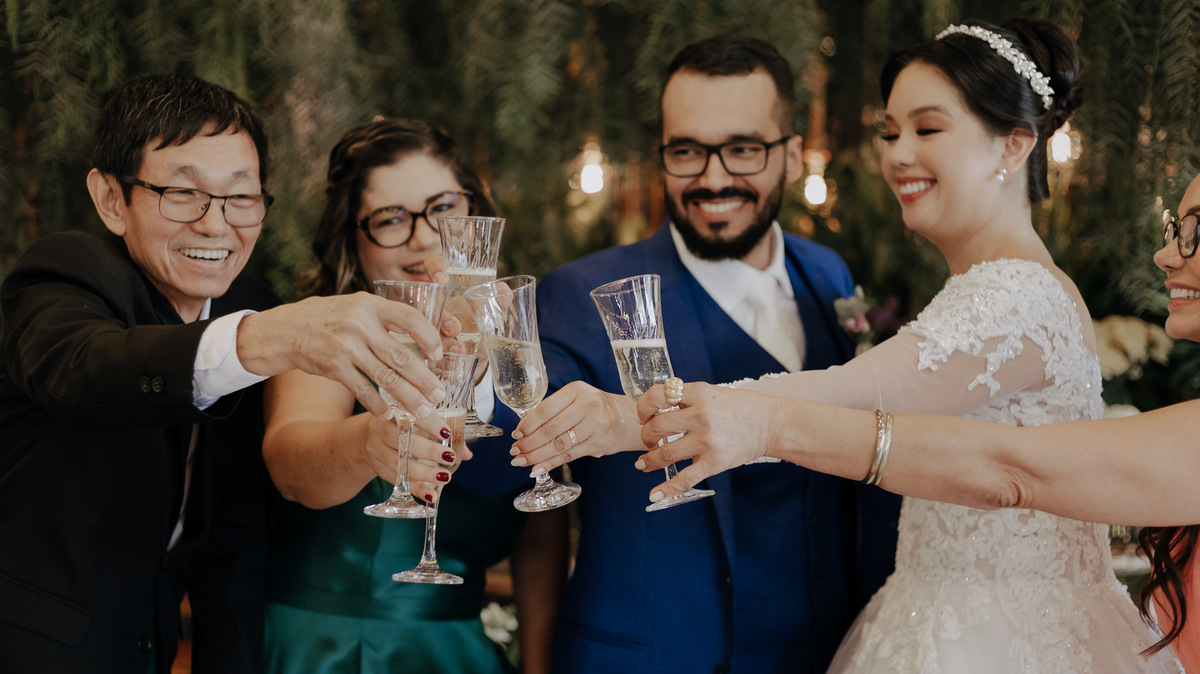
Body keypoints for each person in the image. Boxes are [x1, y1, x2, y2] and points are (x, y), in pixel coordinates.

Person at [512, 19, 1183, 673]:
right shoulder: (989, 287)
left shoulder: (1012, 299)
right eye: (890, 131)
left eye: (927, 128)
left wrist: (624, 419)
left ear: (1013, 147)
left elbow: (849, 396)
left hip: (996, 639)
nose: (897, 154)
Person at [633, 171, 1200, 672]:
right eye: (1176, 228)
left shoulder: (1020, 293)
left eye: (1196, 233)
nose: (1167, 255)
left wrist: (760, 425)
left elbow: (1008, 468)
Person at [480, 34, 902, 673]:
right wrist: (480, 373)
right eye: (686, 152)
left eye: (742, 150)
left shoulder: (829, 276)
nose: (712, 179)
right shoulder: (584, 291)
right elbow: (503, 449)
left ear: (791, 157)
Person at [0, 75, 451, 673]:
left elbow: (234, 546)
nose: (216, 225)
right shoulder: (66, 276)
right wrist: (267, 339)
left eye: (241, 197)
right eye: (182, 193)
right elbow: (85, 371)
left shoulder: (252, 305)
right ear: (112, 199)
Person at [260, 118, 568, 674]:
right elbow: (290, 464)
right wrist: (369, 443)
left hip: (459, 653)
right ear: (352, 237)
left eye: (443, 207)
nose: (424, 237)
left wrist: (539, 666)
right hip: (327, 651)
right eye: (391, 219)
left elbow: (539, 529)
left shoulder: (519, 349)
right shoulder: (324, 334)